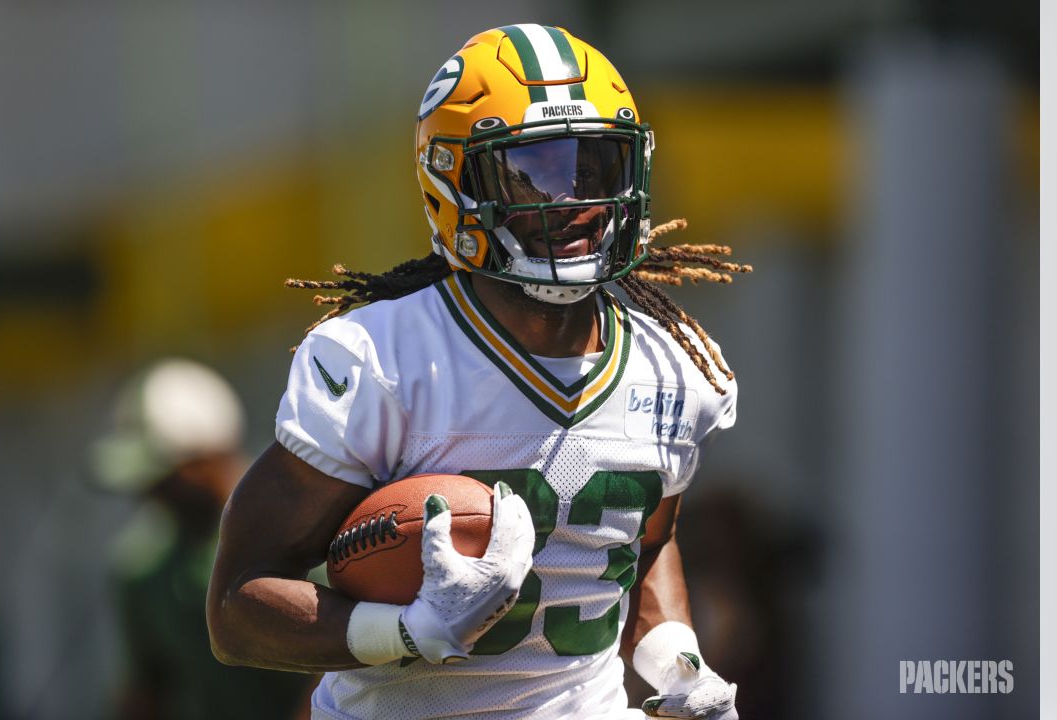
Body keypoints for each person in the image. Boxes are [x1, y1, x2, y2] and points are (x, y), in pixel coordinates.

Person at [206, 25, 751, 720]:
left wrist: (679, 665)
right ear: (453, 183)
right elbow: (236, 607)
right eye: (535, 172)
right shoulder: (384, 361)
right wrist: (402, 632)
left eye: (594, 168)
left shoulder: (672, 364)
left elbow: (643, 545)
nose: (573, 199)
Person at [94, 358, 314, 719]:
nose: (150, 493)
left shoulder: (304, 529)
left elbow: (343, 671)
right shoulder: (144, 569)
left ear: (208, 457)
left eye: (164, 476)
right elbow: (147, 693)